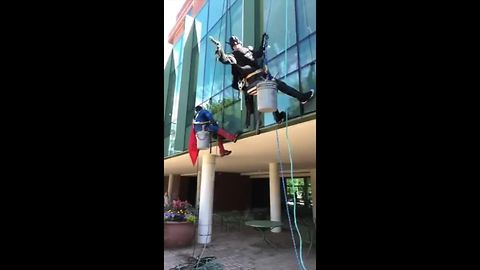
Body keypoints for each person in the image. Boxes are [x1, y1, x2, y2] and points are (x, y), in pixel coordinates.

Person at [212, 34, 315, 126]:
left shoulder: (248, 51)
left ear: (238, 43)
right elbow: (225, 58)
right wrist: (220, 49)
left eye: (235, 43)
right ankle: (301, 98)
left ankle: (278, 117)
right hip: (255, 82)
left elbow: (259, 53)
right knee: (280, 85)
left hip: (257, 82)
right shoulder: (234, 56)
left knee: (271, 91)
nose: (235, 46)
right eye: (234, 45)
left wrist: (263, 41)